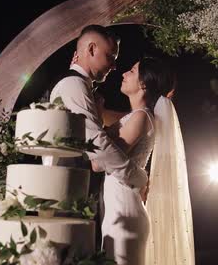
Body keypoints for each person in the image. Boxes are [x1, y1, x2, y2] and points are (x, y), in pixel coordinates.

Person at [96, 57, 198, 265]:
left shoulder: (141, 117)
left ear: (143, 84)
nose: (124, 73)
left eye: (132, 71)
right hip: (119, 208)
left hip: (125, 210)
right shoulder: (134, 116)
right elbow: (106, 123)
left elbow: (100, 162)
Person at [49, 24, 150, 248]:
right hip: (65, 192)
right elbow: (97, 146)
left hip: (77, 192)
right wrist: (138, 178)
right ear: (91, 49)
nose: (114, 66)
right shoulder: (73, 85)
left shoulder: (79, 86)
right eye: (110, 56)